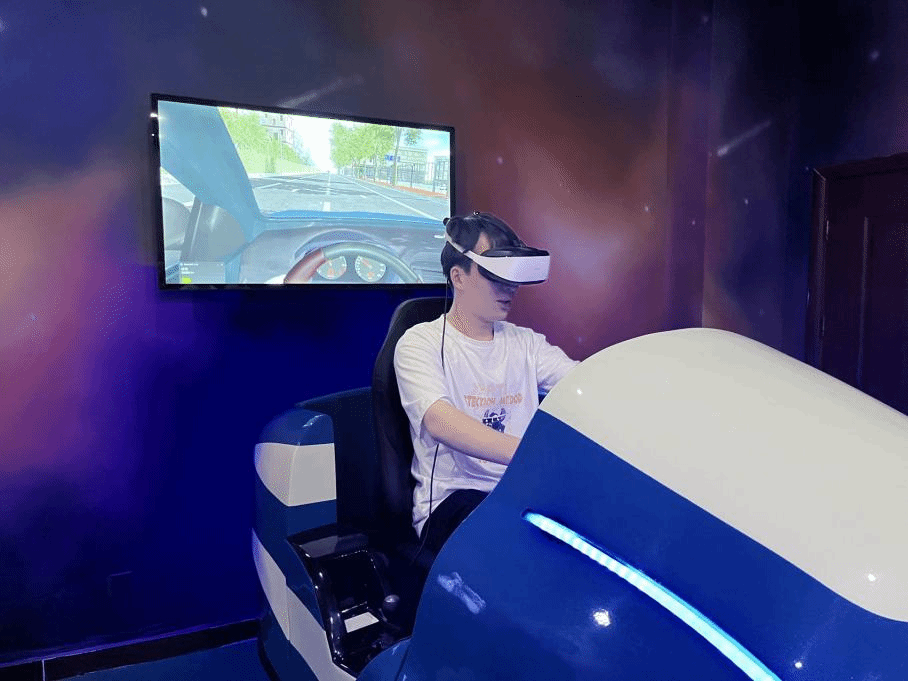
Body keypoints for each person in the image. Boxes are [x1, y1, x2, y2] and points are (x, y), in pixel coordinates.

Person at [393, 211, 579, 555]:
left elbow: (579, 383)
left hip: (521, 494)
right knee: (525, 551)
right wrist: (531, 455)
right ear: (458, 277)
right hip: (452, 502)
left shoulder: (526, 343)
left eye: (512, 278)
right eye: (496, 276)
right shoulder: (420, 343)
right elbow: (439, 420)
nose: (510, 288)